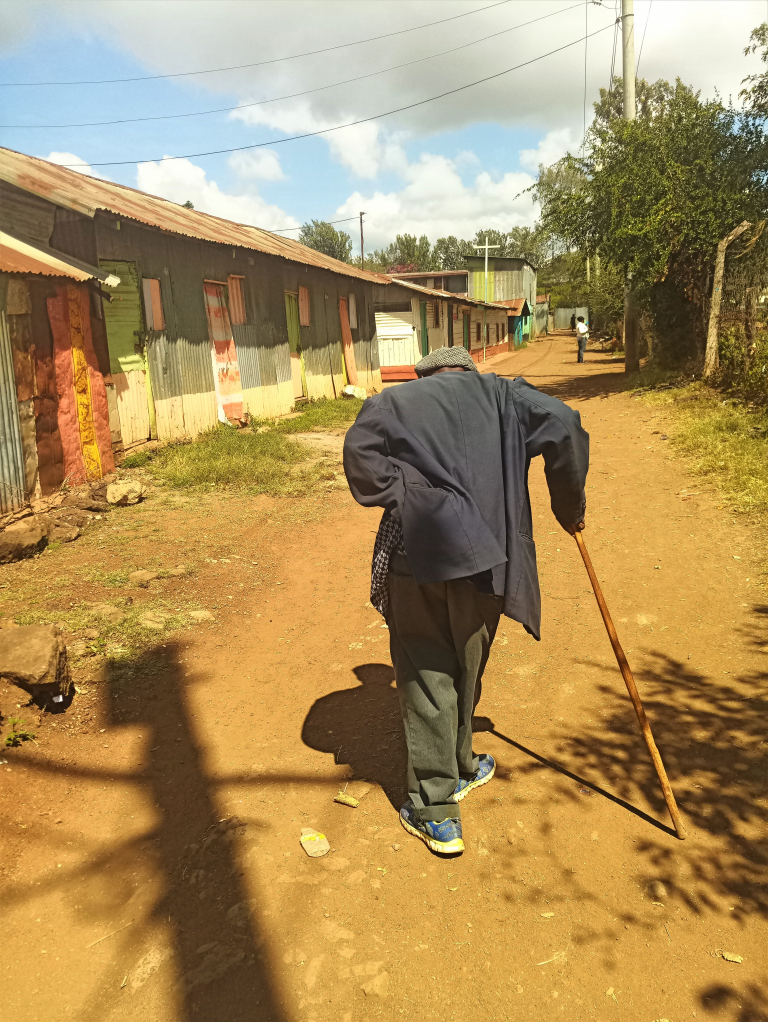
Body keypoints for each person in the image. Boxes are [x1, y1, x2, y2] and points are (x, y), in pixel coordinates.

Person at [343, 346, 589, 855]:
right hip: (490, 560)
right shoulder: (506, 396)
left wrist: (408, 492)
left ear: (427, 375)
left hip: (420, 557)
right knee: (467, 663)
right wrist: (568, 508)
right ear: (468, 370)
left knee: (427, 673)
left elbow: (360, 460)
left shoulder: (393, 402)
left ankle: (437, 806)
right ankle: (458, 769)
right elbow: (565, 423)